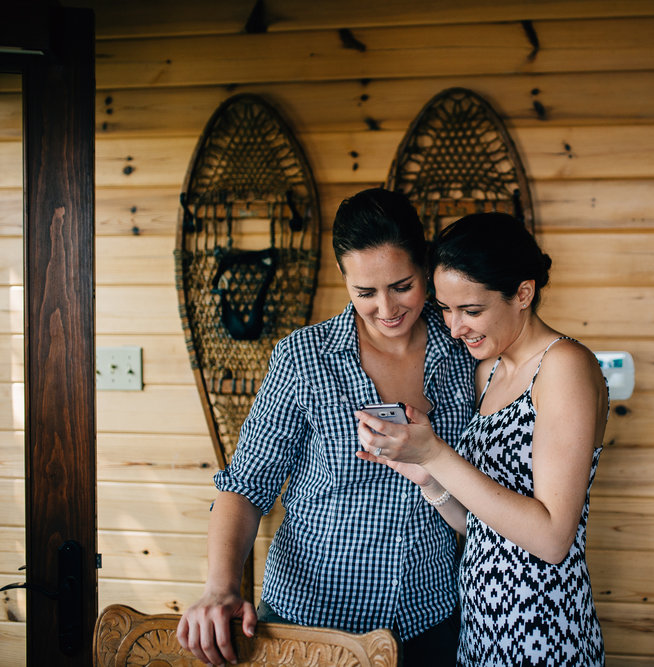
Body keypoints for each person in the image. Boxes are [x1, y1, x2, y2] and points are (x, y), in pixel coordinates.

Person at [177, 188, 477, 666]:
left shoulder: (467, 353)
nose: (386, 308)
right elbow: (246, 486)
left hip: (429, 620)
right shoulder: (303, 357)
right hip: (310, 626)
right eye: (365, 292)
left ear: (425, 266)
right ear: (344, 279)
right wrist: (219, 587)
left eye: (402, 285)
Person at [355, 212, 609, 666]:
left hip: (543, 627)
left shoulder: (564, 366)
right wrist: (428, 478)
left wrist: (436, 452)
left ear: (523, 294)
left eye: (471, 311)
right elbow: (485, 528)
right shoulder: (487, 372)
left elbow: (551, 539)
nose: (455, 328)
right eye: (447, 310)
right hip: (480, 625)